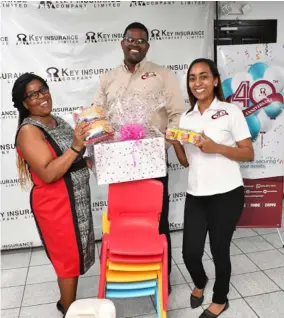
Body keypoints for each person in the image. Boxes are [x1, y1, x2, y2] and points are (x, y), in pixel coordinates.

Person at [93, 22, 187, 291]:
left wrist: (164, 144)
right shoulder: (107, 78)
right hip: (118, 162)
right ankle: (128, 274)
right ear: (122, 43)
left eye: (141, 41)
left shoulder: (162, 75)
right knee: (123, 220)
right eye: (130, 40)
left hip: (152, 160)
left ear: (147, 45)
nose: (135, 44)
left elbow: (177, 113)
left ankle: (162, 279)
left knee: (157, 221)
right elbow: (98, 116)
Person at [168, 58, 254, 317]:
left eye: (203, 76)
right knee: (189, 252)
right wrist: (175, 142)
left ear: (215, 80)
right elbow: (185, 162)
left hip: (227, 194)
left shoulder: (231, 111)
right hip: (196, 194)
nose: (198, 83)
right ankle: (201, 281)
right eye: (192, 78)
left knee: (219, 249)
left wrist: (216, 147)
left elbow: (248, 153)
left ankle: (220, 298)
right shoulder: (186, 116)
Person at [12, 73, 95, 316]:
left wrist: (85, 159)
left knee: (74, 256)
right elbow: (48, 173)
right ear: (25, 103)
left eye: (43, 89)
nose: (42, 96)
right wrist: (78, 147)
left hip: (74, 201)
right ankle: (69, 310)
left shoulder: (56, 120)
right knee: (67, 261)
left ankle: (65, 301)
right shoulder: (29, 130)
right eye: (33, 94)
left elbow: (68, 158)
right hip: (57, 206)